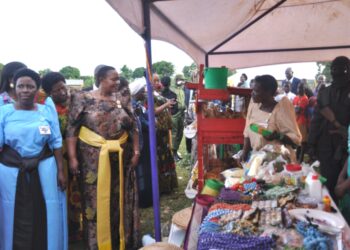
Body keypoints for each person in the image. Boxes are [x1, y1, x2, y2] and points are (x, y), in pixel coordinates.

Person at [66, 65, 140, 250]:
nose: (117, 82)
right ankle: (96, 244)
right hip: (93, 162)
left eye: (118, 79)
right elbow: (71, 129)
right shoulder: (82, 98)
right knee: (94, 202)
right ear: (100, 79)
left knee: (118, 199)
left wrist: (137, 151)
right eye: (113, 79)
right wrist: (73, 158)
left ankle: (118, 240)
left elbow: (133, 127)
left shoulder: (122, 98)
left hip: (121, 159)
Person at [0, 68, 67, 250]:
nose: (25, 90)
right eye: (21, 86)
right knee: (14, 212)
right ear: (15, 87)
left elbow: (56, 141)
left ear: (37, 89)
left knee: (43, 209)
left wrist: (61, 170)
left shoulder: (46, 110)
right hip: (11, 171)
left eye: (30, 86)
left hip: (44, 168)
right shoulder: (4, 111)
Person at [40, 72, 82, 243]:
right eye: (56, 90)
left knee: (77, 192)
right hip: (58, 157)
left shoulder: (76, 104)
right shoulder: (45, 109)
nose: (62, 92)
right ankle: (63, 229)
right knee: (62, 191)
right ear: (49, 93)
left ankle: (77, 229)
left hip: (78, 153)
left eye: (63, 87)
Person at [308, 56, 350, 201]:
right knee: (327, 184)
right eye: (334, 71)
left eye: (342, 71)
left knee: (344, 188)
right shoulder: (324, 92)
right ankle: (328, 214)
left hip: (346, 147)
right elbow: (315, 120)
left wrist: (344, 130)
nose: (337, 74)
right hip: (325, 145)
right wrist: (311, 144)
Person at [241, 75, 301, 162]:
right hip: (257, 159)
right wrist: (245, 152)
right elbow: (247, 131)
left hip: (278, 162)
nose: (252, 93)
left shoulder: (281, 110)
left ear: (268, 92)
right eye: (252, 90)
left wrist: (277, 136)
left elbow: (295, 141)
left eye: (256, 91)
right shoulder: (254, 105)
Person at [171, 76, 187, 161]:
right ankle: (173, 153)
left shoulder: (182, 90)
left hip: (181, 114)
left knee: (180, 133)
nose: (181, 82)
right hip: (174, 114)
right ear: (175, 80)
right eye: (179, 80)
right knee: (175, 133)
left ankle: (176, 150)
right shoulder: (172, 89)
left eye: (182, 80)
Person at [293, 83, 309, 162]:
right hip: (295, 121)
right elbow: (293, 109)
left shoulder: (305, 98)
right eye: (298, 88)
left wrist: (295, 108)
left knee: (303, 142)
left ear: (304, 89)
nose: (299, 90)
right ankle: (296, 157)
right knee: (297, 140)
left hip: (302, 122)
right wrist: (295, 108)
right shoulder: (295, 98)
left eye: (301, 88)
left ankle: (301, 159)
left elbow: (298, 110)